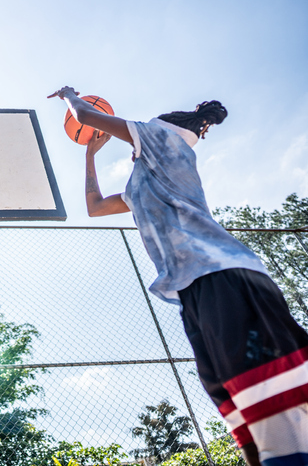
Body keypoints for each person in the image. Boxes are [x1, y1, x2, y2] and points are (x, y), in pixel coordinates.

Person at [53, 86, 308, 466]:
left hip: (225, 275)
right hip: (195, 289)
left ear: (157, 129)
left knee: (276, 403)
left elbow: (88, 117)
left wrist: (72, 97)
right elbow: (94, 207)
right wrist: (90, 154)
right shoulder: (144, 181)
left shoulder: (161, 141)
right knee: (238, 407)